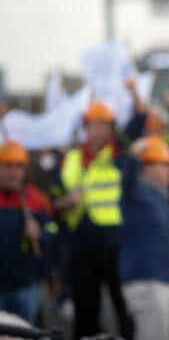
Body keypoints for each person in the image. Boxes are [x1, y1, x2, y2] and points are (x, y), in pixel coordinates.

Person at [55, 101, 134, 339]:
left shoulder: (121, 157)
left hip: (116, 243)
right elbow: (53, 198)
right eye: (92, 125)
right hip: (82, 243)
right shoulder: (72, 158)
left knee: (124, 306)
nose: (97, 131)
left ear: (111, 129)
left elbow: (136, 132)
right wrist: (64, 201)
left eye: (103, 125)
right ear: (85, 127)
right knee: (85, 310)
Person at [120, 136, 169, 340]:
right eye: (164, 165)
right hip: (146, 284)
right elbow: (127, 182)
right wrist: (133, 156)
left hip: (163, 282)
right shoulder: (138, 195)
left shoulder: (162, 199)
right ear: (147, 168)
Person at [0, 141, 57, 324]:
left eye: (19, 167)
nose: (14, 173)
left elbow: (53, 232)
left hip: (26, 285)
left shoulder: (36, 199)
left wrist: (40, 234)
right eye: (8, 166)